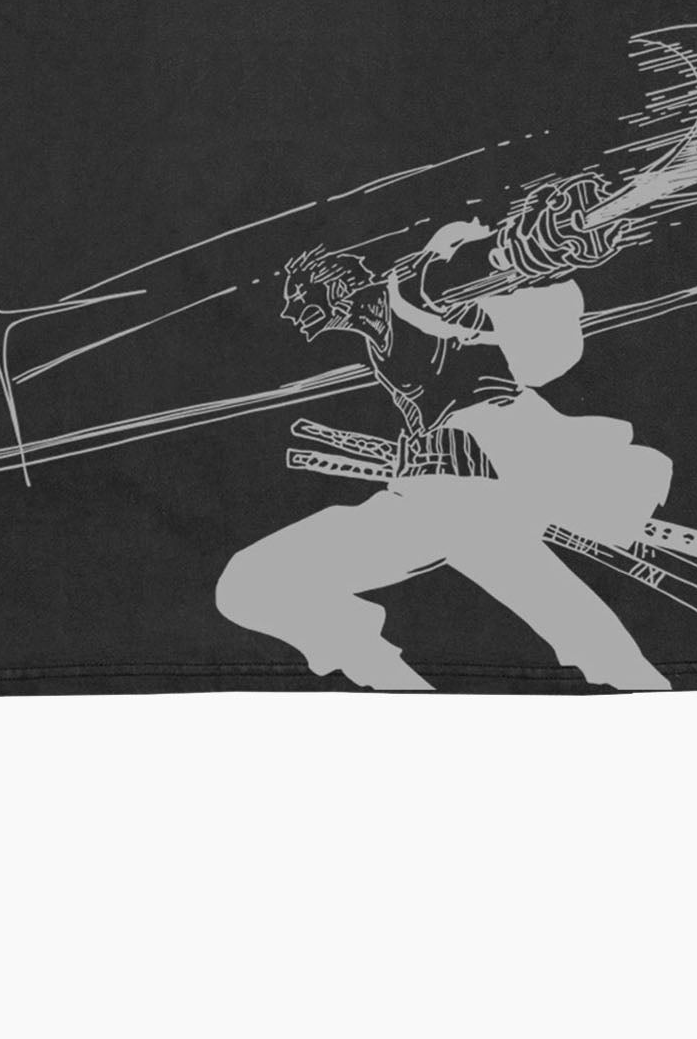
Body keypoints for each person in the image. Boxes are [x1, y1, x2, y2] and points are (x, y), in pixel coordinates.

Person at [215, 220, 672, 691]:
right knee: (250, 584)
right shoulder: (377, 331)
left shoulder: (414, 285)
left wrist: (542, 239)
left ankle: (392, 680)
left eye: (297, 296)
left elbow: (484, 266)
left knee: (254, 581)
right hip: (432, 499)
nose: (289, 311)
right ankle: (392, 680)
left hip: (470, 491)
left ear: (333, 286)